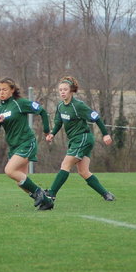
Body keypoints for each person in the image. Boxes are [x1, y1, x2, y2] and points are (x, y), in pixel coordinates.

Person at [0, 77, 53, 210]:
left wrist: (46, 131)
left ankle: (40, 193)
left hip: (26, 142)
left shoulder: (19, 103)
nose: (1, 92)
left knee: (9, 170)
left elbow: (41, 111)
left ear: (12, 90)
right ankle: (46, 201)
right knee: (21, 181)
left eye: (4, 89)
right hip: (14, 147)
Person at [45, 76, 115, 204]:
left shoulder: (78, 105)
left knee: (65, 164)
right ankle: (106, 194)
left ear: (71, 90)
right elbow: (58, 123)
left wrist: (105, 134)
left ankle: (51, 194)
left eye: (65, 89)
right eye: (60, 90)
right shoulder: (60, 106)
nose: (62, 92)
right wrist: (52, 134)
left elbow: (96, 117)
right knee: (83, 172)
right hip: (75, 140)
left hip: (83, 138)